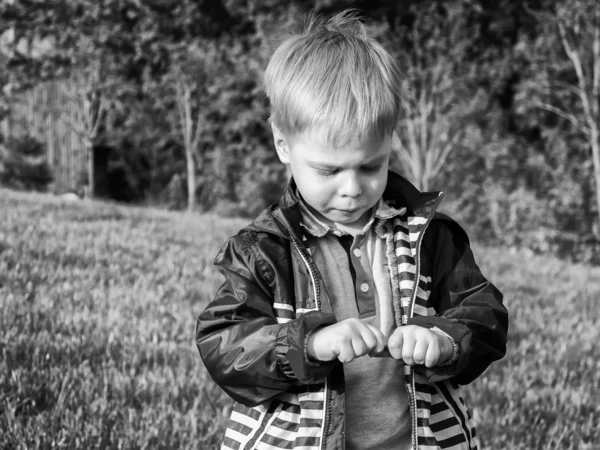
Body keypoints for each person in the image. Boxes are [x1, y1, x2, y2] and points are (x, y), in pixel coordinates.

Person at [196, 9, 508, 450]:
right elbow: (224, 345)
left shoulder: (429, 237)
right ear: (283, 144)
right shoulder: (264, 251)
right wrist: (309, 344)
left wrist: (446, 339)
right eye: (329, 170)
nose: (352, 189)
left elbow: (485, 313)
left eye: (370, 166)